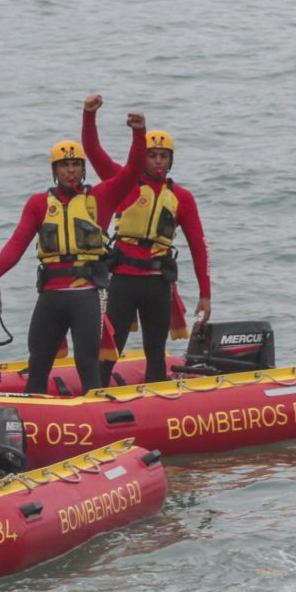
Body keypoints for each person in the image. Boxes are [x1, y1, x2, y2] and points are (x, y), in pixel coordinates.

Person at [0, 113, 145, 396]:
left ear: (83, 170)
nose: (70, 170)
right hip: (50, 297)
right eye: (63, 165)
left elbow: (132, 171)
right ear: (54, 170)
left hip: (86, 297)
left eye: (75, 165)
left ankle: (96, 420)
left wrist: (138, 133)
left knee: (87, 364)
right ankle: (34, 423)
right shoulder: (38, 204)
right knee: (38, 365)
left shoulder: (101, 197)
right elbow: (16, 243)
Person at [77, 94, 213, 384]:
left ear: (171, 160)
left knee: (156, 351)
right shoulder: (123, 182)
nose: (158, 161)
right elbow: (93, 150)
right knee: (111, 348)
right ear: (142, 157)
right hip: (123, 280)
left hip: (157, 283)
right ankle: (96, 398)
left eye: (164, 156)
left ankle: (156, 407)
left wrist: (205, 293)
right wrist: (89, 116)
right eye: (152, 155)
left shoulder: (182, 198)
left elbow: (198, 246)